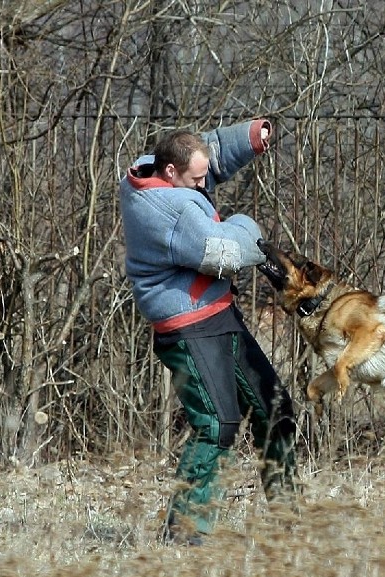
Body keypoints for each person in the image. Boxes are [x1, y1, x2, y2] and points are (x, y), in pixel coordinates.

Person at [119, 120, 297, 545]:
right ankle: (184, 534)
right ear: (170, 174)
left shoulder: (153, 165)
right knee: (217, 424)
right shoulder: (170, 213)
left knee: (277, 410)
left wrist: (253, 137)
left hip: (218, 314)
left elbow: (209, 151)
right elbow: (226, 253)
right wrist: (249, 225)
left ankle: (289, 522)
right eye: (197, 179)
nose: (205, 182)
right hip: (188, 327)